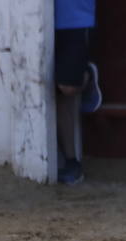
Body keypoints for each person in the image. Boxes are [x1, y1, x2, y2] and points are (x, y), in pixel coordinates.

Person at [53, 0, 102, 185]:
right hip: (34, 18)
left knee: (67, 88)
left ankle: (87, 75)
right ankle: (71, 161)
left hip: (73, 19)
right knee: (54, 92)